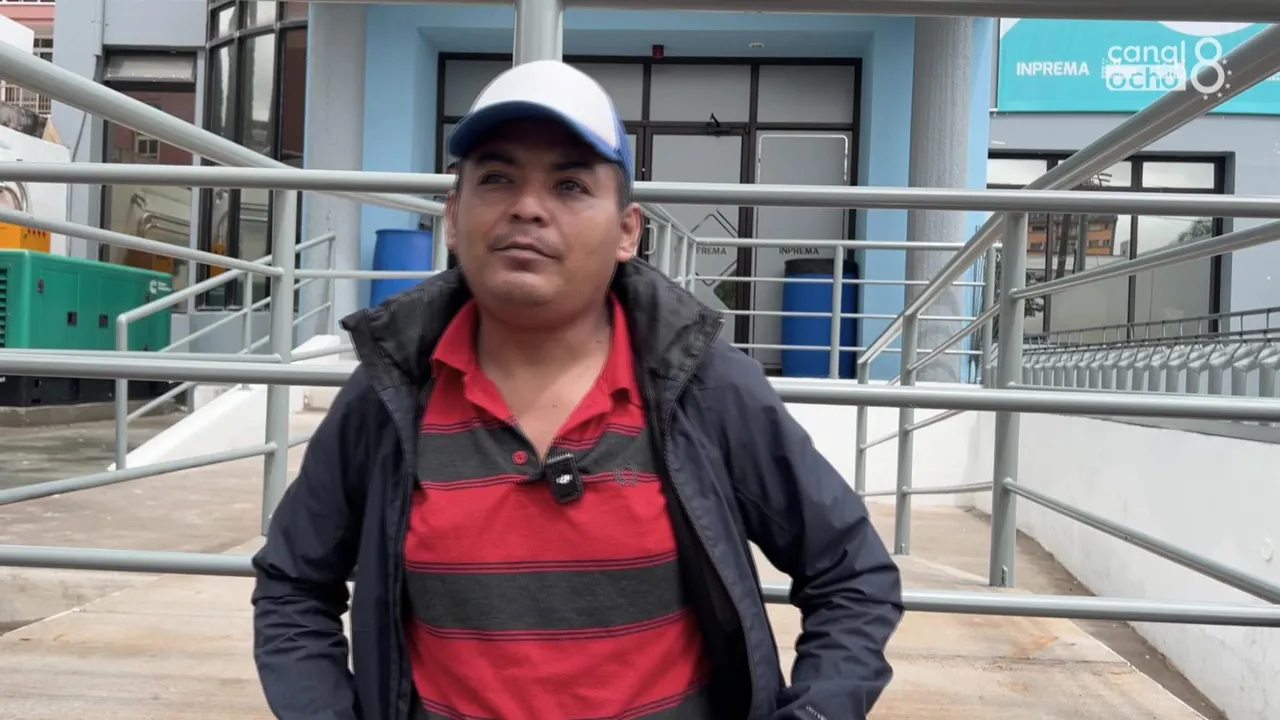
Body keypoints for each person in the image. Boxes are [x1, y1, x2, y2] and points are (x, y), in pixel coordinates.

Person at [251, 59, 903, 720]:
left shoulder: (701, 386)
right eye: (497, 178)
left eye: (569, 185)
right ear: (452, 216)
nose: (527, 207)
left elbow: (851, 573)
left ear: (627, 232)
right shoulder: (391, 392)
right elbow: (294, 582)